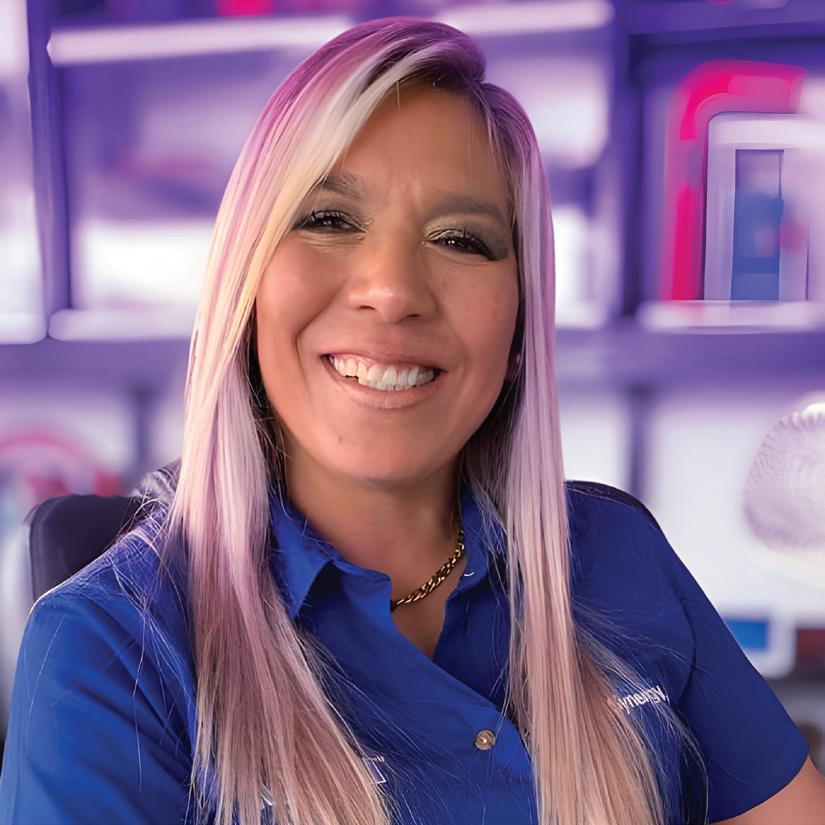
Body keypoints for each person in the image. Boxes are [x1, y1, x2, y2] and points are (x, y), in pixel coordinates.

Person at [1, 15, 824, 825]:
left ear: (517, 333)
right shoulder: (109, 648)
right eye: (328, 219)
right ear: (245, 290)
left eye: (460, 238)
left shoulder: (616, 555)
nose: (392, 289)